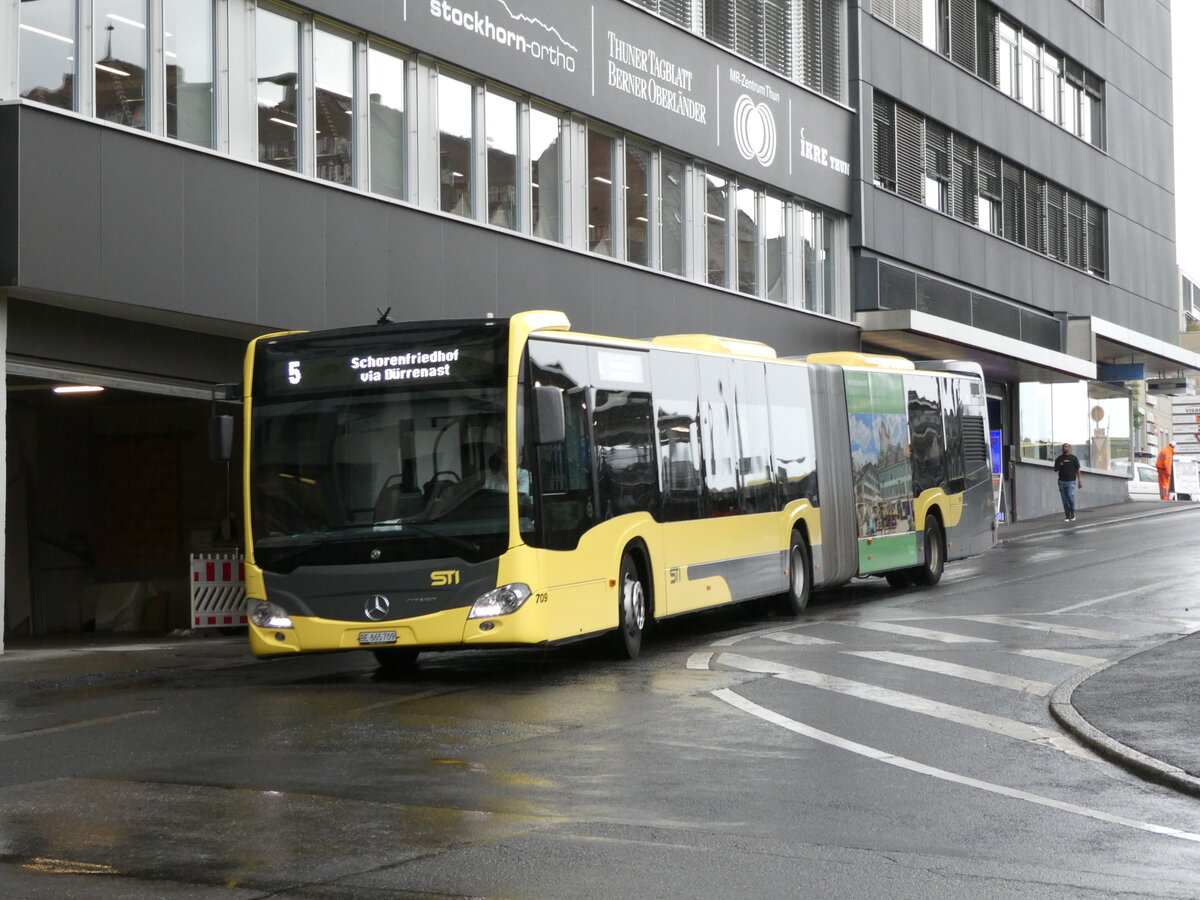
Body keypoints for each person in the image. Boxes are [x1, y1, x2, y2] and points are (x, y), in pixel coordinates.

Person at [1053, 442, 1083, 522]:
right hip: (1062, 481)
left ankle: (1072, 513)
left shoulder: (1074, 458)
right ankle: (1067, 515)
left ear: (1069, 448)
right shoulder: (1059, 459)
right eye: (1063, 447)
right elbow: (1055, 469)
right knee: (1064, 499)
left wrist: (1080, 481)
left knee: (1070, 497)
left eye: (1066, 447)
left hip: (1071, 481)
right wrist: (1060, 465)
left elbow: (1078, 470)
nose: (1064, 448)